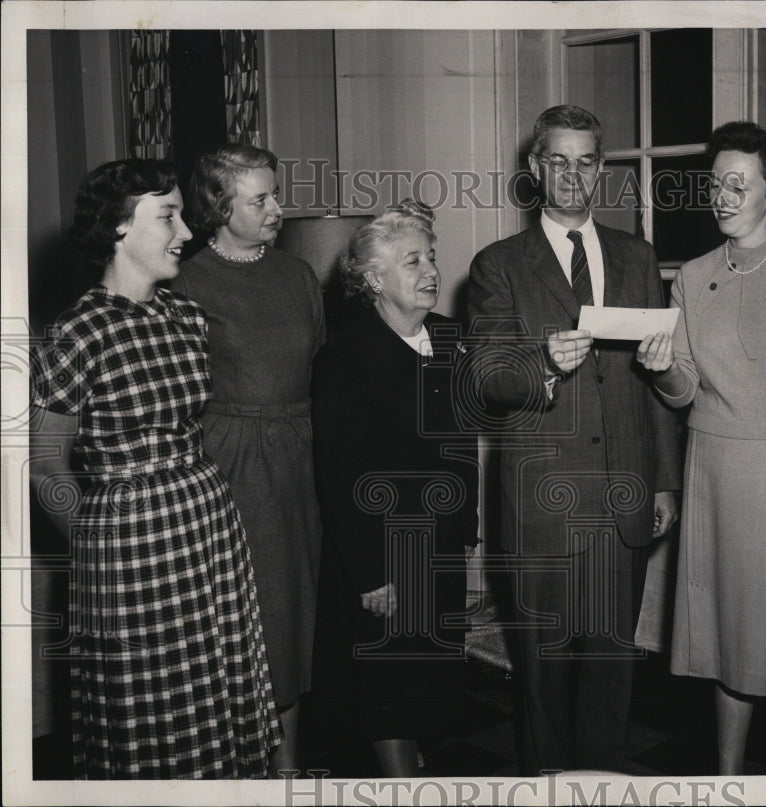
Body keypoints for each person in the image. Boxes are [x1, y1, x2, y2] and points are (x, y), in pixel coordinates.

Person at [29, 159, 281, 778]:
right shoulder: (77, 333)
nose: (186, 232)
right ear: (119, 229)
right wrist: (94, 543)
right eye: (166, 215)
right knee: (148, 716)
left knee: (215, 692)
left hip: (206, 528)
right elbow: (43, 465)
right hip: (130, 548)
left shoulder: (185, 319)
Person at [467, 105, 682, 775]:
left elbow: (655, 380)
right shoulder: (498, 264)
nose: (571, 174)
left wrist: (666, 478)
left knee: (612, 676)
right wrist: (543, 363)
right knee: (544, 679)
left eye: (584, 160)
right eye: (556, 160)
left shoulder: (637, 256)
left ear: (601, 168)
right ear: (535, 169)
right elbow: (487, 375)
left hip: (624, 497)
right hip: (542, 507)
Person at [636, 121, 766, 774]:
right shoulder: (693, 276)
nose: (721, 196)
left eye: (738, 184)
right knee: (727, 639)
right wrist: (661, 365)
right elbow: (684, 388)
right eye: (716, 183)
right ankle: (728, 779)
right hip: (714, 473)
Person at [312, 200, 479, 777]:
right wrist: (369, 571)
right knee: (388, 678)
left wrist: (466, 522)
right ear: (373, 279)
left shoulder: (451, 339)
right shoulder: (345, 357)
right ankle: (399, 782)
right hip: (385, 550)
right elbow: (338, 474)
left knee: (428, 671)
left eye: (431, 257)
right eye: (413, 262)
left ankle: (411, 763)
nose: (431, 270)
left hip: (441, 540)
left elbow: (462, 437)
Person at [174, 144, 324, 775]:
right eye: (259, 199)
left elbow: (317, 362)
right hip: (230, 465)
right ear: (217, 205)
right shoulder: (184, 280)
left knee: (295, 611)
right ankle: (236, 764)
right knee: (247, 615)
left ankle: (286, 762)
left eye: (275, 194)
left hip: (299, 457)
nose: (277, 209)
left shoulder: (297, 276)